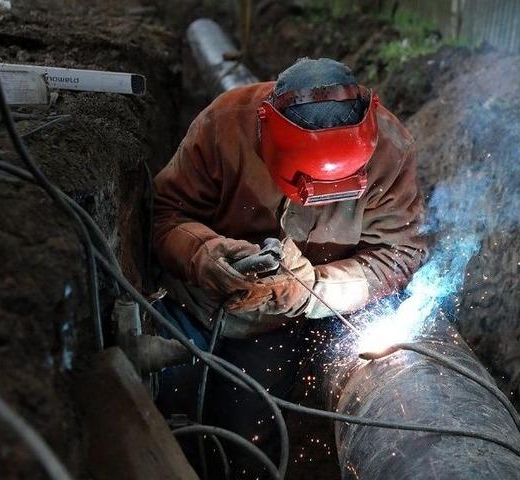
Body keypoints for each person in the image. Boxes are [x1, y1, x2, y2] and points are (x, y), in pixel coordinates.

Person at [151, 58, 427, 476]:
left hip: (284, 326)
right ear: (267, 134)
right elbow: (161, 214)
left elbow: (399, 255)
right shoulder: (224, 127)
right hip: (197, 305)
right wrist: (204, 254)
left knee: (247, 445)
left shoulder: (389, 151)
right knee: (164, 409)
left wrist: (312, 288)